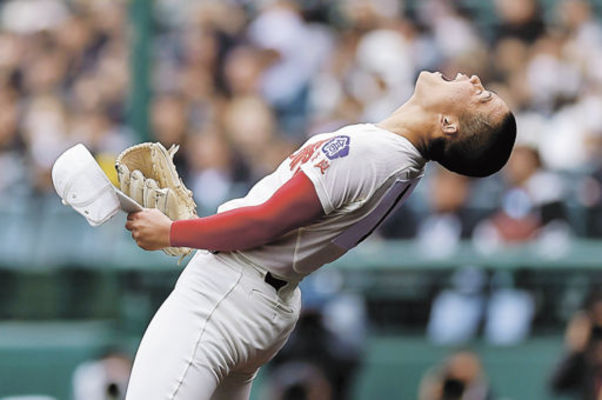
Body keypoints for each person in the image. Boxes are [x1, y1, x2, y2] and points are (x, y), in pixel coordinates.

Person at [123, 71, 516, 400]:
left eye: (481, 97)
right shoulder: (400, 161)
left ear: (448, 124)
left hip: (230, 290)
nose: (474, 80)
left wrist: (172, 232)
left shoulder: (375, 154)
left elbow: (266, 221)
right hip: (260, 295)